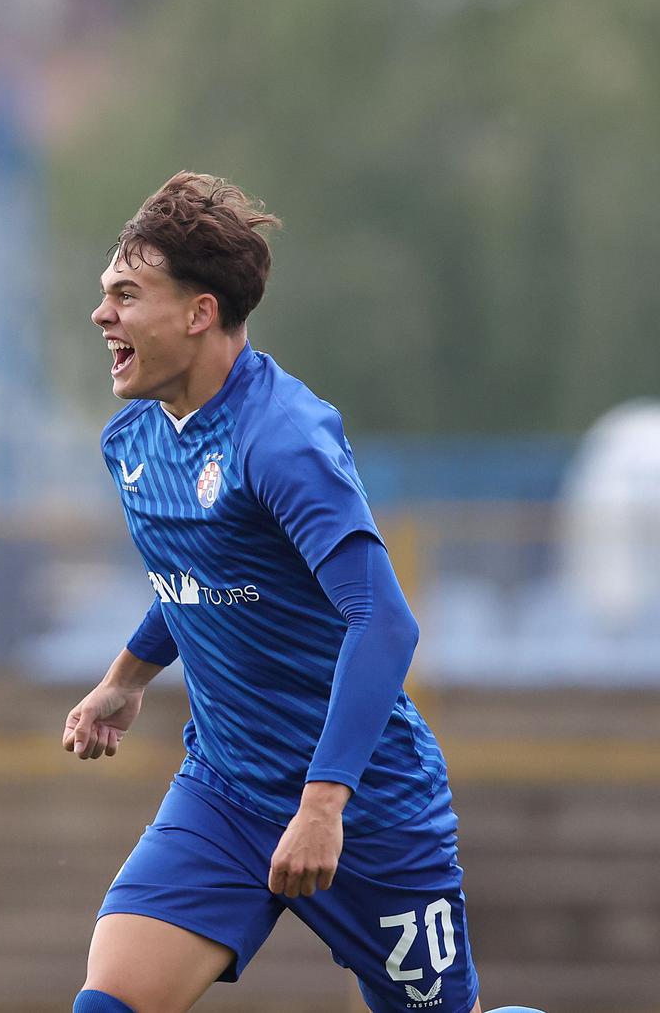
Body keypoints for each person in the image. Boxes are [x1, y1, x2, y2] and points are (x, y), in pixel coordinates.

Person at [63, 172, 487, 1013]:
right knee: (109, 1003)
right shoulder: (135, 438)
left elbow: (385, 621)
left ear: (199, 312)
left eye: (125, 294)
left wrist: (325, 803)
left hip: (363, 807)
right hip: (224, 791)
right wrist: (125, 678)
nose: (101, 314)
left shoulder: (281, 439)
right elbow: (206, 577)